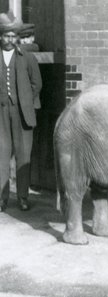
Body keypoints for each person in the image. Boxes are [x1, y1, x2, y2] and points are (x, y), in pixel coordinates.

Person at [0, 11, 42, 212]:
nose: (9, 39)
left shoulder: (26, 57)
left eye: (12, 36)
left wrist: (25, 101)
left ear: (16, 37)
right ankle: (1, 199)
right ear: (0, 36)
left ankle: (23, 197)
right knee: (1, 156)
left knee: (23, 157)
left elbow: (37, 83)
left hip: (22, 114)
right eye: (5, 35)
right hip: (1, 114)